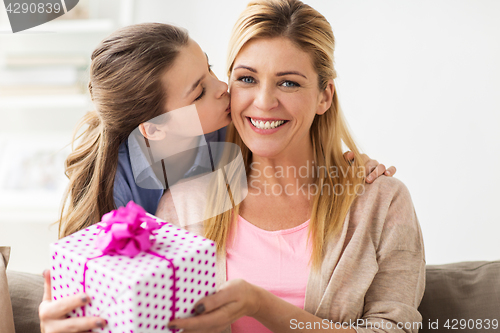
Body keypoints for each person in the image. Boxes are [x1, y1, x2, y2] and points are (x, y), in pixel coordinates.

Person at [39, 21, 395, 333]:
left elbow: (292, 142)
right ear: (155, 129)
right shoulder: (119, 186)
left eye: (210, 69)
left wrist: (347, 165)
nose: (224, 87)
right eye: (199, 91)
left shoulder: (225, 129)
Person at [157, 1, 425, 332]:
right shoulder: (183, 205)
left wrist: (262, 305)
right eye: (247, 79)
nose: (265, 102)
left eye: (289, 83)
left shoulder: (382, 202)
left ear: (324, 96)